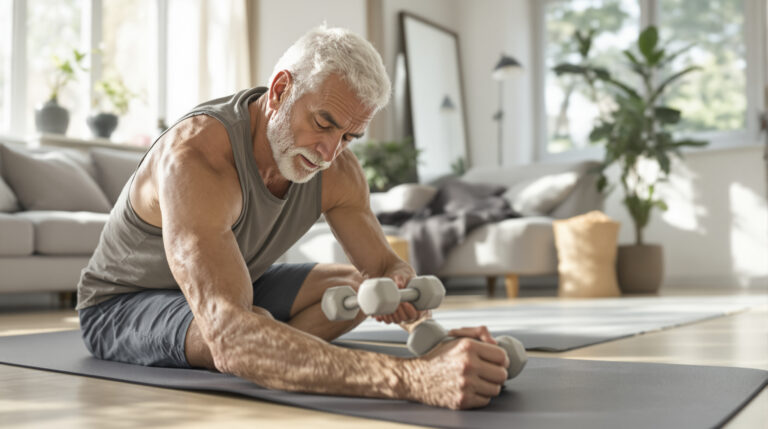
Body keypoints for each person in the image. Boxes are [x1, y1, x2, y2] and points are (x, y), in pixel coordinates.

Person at [76, 26, 509, 410]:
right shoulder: (195, 159)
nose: (329, 152)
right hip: (122, 304)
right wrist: (414, 379)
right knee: (231, 334)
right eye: (323, 123)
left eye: (349, 136)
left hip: (234, 283)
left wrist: (434, 338)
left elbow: (381, 269)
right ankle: (264, 346)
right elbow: (227, 333)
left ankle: (271, 348)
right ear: (280, 90)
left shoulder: (338, 170)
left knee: (355, 290)